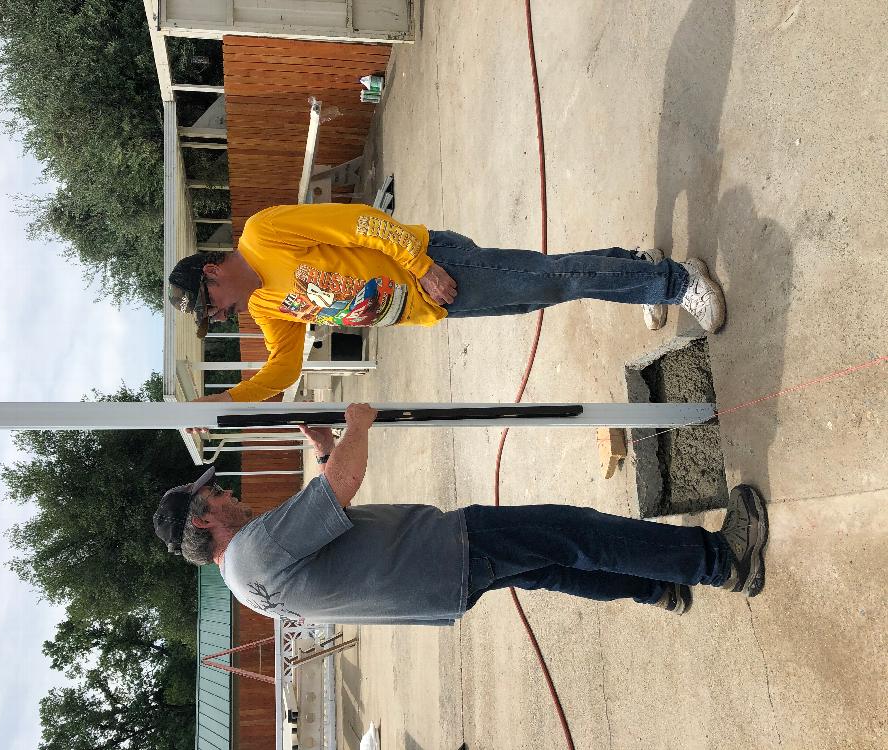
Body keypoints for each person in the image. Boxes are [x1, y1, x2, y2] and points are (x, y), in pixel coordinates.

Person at [153, 404, 769, 623]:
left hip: (440, 583)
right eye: (215, 496)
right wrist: (356, 427)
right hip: (450, 550)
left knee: (553, 568)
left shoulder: (246, 581)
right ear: (203, 521)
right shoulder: (254, 549)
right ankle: (720, 562)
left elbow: (325, 527)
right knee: (575, 535)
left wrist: (321, 448)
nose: (227, 493)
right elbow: (343, 486)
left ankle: (656, 589)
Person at [167, 203, 726, 402]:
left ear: (212, 272)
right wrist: (230, 401)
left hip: (437, 270)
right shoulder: (266, 308)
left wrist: (423, 267)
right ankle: (640, 266)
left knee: (552, 280)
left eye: (208, 304)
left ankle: (676, 282)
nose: (216, 316)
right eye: (209, 318)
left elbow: (362, 222)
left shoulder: (263, 235)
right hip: (434, 304)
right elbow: (283, 366)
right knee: (548, 282)